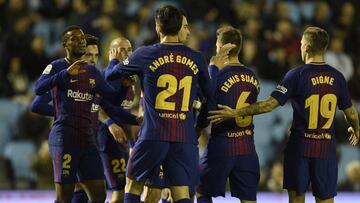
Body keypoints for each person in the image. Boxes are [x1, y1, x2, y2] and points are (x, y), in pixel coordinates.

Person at [208, 26, 359, 203]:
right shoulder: (338, 77)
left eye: (302, 43)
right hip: (326, 150)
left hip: (299, 149)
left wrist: (235, 112)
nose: (300, 46)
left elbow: (269, 105)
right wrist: (355, 128)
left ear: (306, 48)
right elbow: (351, 113)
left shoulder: (296, 75)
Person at [105, 5, 215, 203]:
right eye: (186, 26)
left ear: (158, 28)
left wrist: (114, 61)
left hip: (152, 135)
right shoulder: (197, 58)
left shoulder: (144, 54)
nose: (188, 31)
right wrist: (198, 126)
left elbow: (110, 75)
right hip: (183, 137)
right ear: (179, 26)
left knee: (133, 186)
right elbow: (210, 98)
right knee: (181, 194)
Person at [33, 25, 119, 203]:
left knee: (99, 196)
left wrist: (124, 81)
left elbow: (112, 97)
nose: (80, 41)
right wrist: (66, 74)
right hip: (65, 138)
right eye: (74, 38)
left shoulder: (93, 72)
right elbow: (38, 89)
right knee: (64, 198)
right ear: (65, 44)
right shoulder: (56, 66)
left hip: (88, 140)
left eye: (82, 38)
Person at [196, 26, 260, 203]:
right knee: (249, 200)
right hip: (247, 146)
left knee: (201, 190)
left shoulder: (217, 75)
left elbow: (207, 108)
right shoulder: (252, 76)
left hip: (222, 144)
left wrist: (198, 128)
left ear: (222, 47)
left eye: (217, 44)